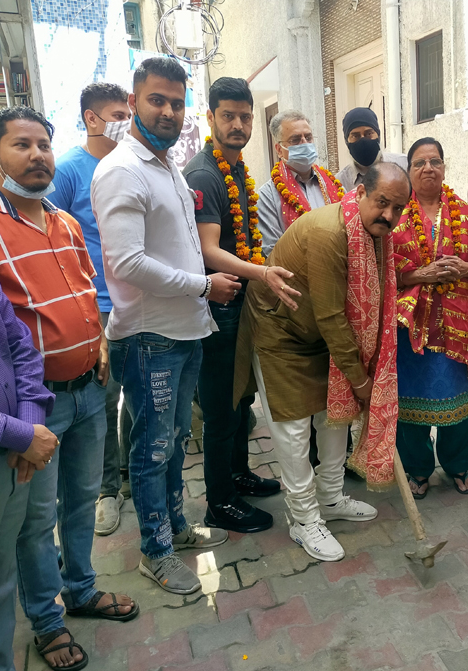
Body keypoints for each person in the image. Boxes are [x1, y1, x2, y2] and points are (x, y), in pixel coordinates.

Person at [0, 105, 138, 671]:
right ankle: (46, 623)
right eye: (21, 145)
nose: (36, 156)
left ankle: (81, 589)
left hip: (88, 391)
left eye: (43, 145)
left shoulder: (67, 222)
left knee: (81, 502)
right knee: (34, 519)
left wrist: (97, 341)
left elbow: (87, 291)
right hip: (36, 404)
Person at [92, 57, 239, 595]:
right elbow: (126, 263)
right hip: (150, 337)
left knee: (174, 441)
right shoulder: (122, 170)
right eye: (157, 100)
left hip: (184, 332)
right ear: (133, 103)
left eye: (177, 102)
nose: (169, 111)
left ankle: (175, 528)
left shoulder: (166, 166)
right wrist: (203, 285)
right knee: (152, 448)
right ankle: (153, 552)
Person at [234, 161, 409, 562]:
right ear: (361, 192)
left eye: (398, 208)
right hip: (282, 332)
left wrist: (360, 375)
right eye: (383, 202)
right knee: (294, 431)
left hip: (321, 334)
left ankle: (330, 498)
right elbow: (332, 314)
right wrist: (361, 380)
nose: (389, 216)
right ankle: (303, 519)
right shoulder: (331, 233)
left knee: (334, 416)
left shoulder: (374, 232)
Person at [183, 77, 292, 534]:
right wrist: (263, 273)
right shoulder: (205, 174)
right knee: (222, 409)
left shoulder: (238, 169)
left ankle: (239, 475)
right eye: (228, 115)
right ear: (210, 118)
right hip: (217, 309)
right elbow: (209, 250)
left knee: (240, 398)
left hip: (241, 305)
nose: (238, 124)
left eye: (245, 116)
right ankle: (220, 502)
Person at [49, 82, 133, 537]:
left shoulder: (133, 163)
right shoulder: (68, 171)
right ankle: (106, 491)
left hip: (136, 301)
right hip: (94, 308)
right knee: (101, 400)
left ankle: (134, 476)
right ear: (91, 119)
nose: (125, 120)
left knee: (136, 396)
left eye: (127, 112)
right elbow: (51, 243)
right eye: (116, 113)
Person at [392, 137, 468, 498]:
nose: (428, 168)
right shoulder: (395, 212)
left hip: (457, 324)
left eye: (435, 161)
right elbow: (382, 268)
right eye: (419, 162)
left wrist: (467, 268)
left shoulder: (465, 211)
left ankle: (458, 465)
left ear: (444, 167)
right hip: (410, 325)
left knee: (458, 397)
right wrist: (417, 276)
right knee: (411, 397)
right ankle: (418, 469)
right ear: (409, 170)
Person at [0, 268, 56, 671]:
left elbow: (20, 347)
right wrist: (18, 434)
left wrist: (30, 426)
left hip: (9, 462)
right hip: (9, 447)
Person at [258, 109, 346, 256]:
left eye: (308, 137)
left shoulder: (334, 185)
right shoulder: (267, 196)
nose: (305, 143)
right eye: (295, 139)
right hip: (296, 275)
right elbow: (272, 251)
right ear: (279, 150)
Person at [336, 107, 407, 193]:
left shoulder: (404, 164)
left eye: (369, 133)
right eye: (355, 136)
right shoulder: (340, 183)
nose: (363, 140)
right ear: (347, 141)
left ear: (378, 135)